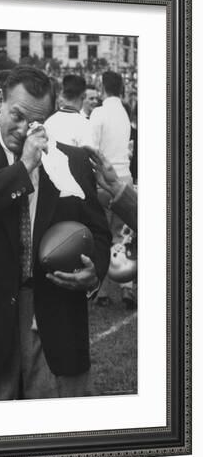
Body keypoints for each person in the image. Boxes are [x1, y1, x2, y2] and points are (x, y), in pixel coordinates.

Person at [0, 66, 112, 401]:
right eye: (16, 116)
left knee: (59, 436)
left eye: (35, 121)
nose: (23, 130)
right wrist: (24, 167)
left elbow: (99, 231)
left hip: (56, 314)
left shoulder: (73, 161)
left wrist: (94, 272)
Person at [89, 71, 133, 308]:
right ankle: (127, 287)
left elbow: (91, 148)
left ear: (102, 86)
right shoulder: (124, 112)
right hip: (125, 178)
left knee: (102, 235)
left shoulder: (99, 112)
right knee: (123, 235)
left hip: (105, 180)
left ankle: (103, 290)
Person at [44, 74, 93, 147]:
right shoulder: (85, 125)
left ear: (63, 94)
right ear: (84, 95)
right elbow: (91, 156)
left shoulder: (48, 122)